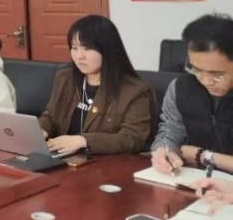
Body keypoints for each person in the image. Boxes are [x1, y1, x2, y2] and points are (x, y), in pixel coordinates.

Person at [38, 15, 152, 155]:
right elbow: (51, 116)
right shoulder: (65, 79)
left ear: (107, 49)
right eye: (74, 48)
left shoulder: (135, 91)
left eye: (86, 48)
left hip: (104, 162)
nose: (79, 56)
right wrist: (40, 130)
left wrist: (83, 141)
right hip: (62, 157)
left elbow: (132, 138)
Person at [152, 13, 233, 174]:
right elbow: (170, 130)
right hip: (193, 179)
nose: (206, 81)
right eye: (196, 70)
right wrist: (164, 151)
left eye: (216, 74)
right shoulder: (179, 88)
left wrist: (203, 156)